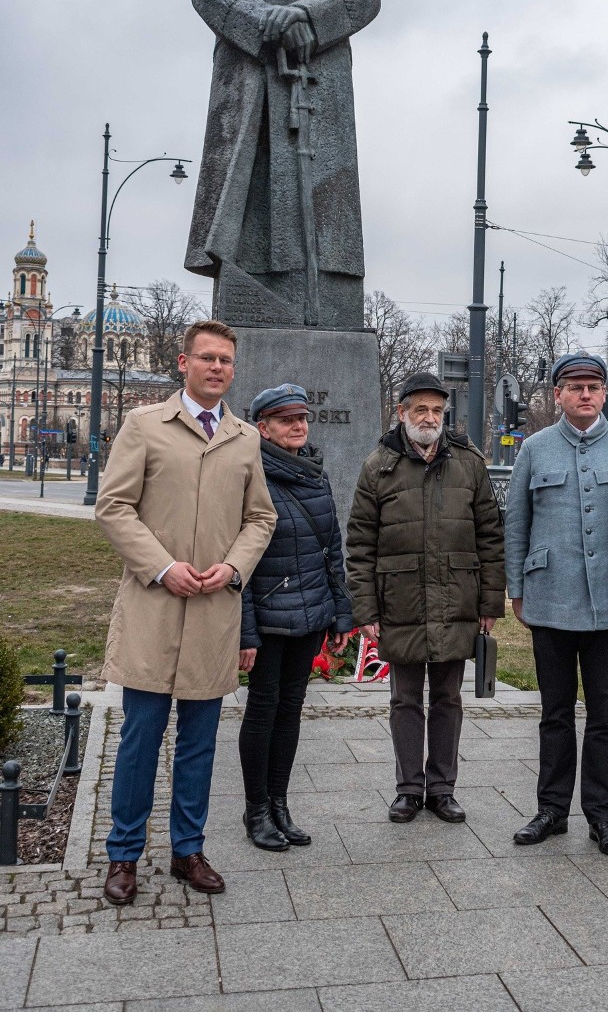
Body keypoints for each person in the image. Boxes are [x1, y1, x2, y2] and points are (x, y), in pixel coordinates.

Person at [95, 320, 277, 905]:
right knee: (140, 738)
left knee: (199, 743)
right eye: (207, 358)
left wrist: (233, 568)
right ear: (183, 362)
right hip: (154, 605)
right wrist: (162, 566)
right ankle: (123, 855)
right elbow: (114, 506)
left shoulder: (245, 437)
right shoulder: (144, 425)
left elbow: (260, 518)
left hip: (211, 612)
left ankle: (188, 851)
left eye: (226, 360)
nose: (217, 368)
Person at [185, 0, 381, 330]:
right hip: (250, 82)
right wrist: (267, 20)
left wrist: (307, 17)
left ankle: (327, 318)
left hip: (322, 85)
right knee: (250, 209)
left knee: (328, 215)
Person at [505, 352, 608, 854]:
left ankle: (603, 816)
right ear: (558, 396)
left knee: (605, 717)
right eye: (574, 387)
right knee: (554, 713)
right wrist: (516, 588)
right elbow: (517, 524)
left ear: (605, 392)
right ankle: (550, 809)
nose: (585, 394)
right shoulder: (536, 448)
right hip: (550, 599)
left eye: (593, 386)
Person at [347, 372, 505, 823]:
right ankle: (408, 789)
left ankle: (442, 788)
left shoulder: (469, 463)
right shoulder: (378, 466)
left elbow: (491, 536)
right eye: (421, 409)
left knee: (449, 698)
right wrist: (365, 608)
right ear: (402, 413)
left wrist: (490, 604)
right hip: (401, 600)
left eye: (437, 410)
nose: (430, 417)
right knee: (405, 699)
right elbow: (359, 544)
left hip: (457, 598)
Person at [237, 382, 353, 850]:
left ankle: (280, 804)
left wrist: (340, 614)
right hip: (267, 617)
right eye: (286, 420)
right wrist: (245, 632)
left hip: (311, 615)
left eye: (302, 418)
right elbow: (237, 561)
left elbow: (332, 550)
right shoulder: (249, 475)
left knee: (290, 710)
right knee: (263, 710)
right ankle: (256, 810)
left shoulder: (314, 472)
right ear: (262, 428)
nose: (298, 426)